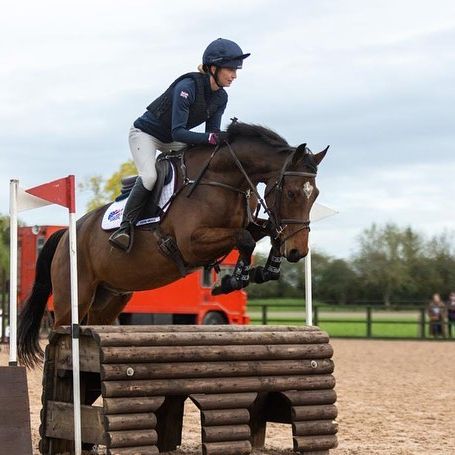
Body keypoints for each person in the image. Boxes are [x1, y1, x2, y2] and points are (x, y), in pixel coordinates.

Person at [109, 38, 250, 251]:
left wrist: (221, 139)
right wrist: (212, 139)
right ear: (213, 68)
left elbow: (210, 135)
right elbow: (179, 131)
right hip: (146, 135)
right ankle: (125, 227)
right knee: (149, 177)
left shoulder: (221, 97)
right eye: (230, 69)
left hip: (173, 140)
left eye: (236, 70)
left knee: (200, 162)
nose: (235, 75)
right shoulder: (187, 88)